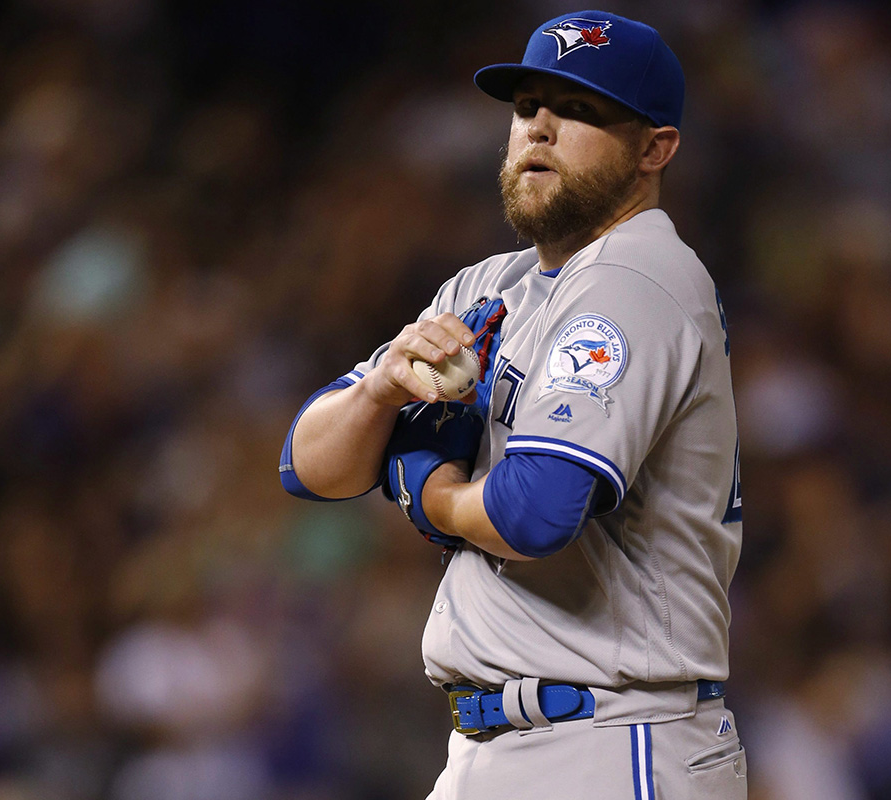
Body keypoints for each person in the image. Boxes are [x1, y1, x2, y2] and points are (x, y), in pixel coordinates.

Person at [280, 10, 747, 800]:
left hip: (612, 741)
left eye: (580, 111)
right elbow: (306, 465)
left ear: (654, 148)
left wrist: (428, 489)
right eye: (528, 106)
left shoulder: (637, 276)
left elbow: (536, 512)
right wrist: (385, 388)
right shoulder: (489, 285)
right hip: (501, 747)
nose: (540, 128)